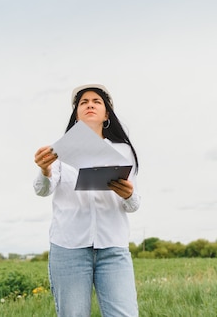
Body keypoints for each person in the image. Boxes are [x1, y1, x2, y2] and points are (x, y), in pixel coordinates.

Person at [33, 84, 141, 317]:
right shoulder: (58, 150)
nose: (90, 104)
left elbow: (133, 204)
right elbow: (43, 190)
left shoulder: (123, 150)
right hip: (69, 247)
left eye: (96, 101)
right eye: (84, 102)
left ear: (106, 115)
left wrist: (129, 194)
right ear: (76, 114)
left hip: (113, 247)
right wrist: (44, 171)